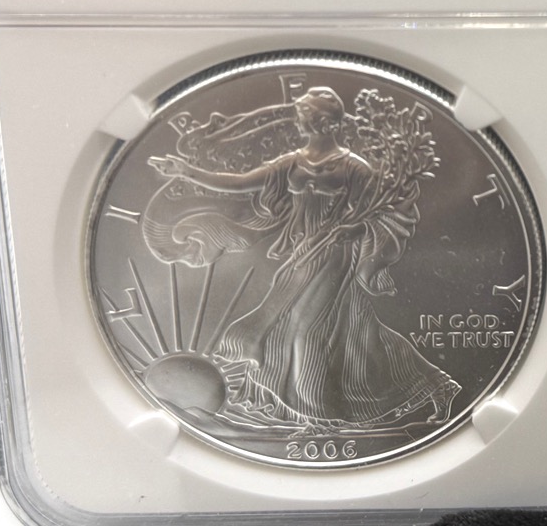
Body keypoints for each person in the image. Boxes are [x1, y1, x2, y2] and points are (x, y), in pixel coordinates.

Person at [148, 87, 460, 429]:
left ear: (325, 123)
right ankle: (435, 385)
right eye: (300, 115)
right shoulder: (291, 163)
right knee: (352, 331)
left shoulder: (354, 168)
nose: (299, 121)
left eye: (305, 116)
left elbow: (385, 213)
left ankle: (316, 413)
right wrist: (186, 171)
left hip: (335, 256)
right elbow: (239, 183)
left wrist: (354, 230)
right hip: (302, 254)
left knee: (304, 332)